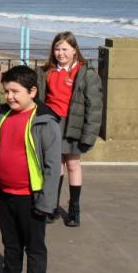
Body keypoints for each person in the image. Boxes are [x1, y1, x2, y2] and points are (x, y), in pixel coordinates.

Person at [0, 65, 61, 273]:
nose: (9, 97)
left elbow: (53, 166)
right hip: (5, 196)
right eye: (6, 91)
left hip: (31, 198)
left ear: (32, 92)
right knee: (11, 247)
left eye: (15, 92)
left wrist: (46, 203)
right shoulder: (2, 115)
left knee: (35, 248)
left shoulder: (45, 122)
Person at [37, 31, 102, 227]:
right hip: (52, 123)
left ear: (75, 50)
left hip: (74, 123)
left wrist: (89, 135)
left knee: (73, 164)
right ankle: (52, 206)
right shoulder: (46, 71)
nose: (60, 53)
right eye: (57, 48)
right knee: (55, 165)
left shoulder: (86, 73)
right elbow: (39, 99)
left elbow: (94, 106)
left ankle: (74, 208)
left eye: (65, 49)